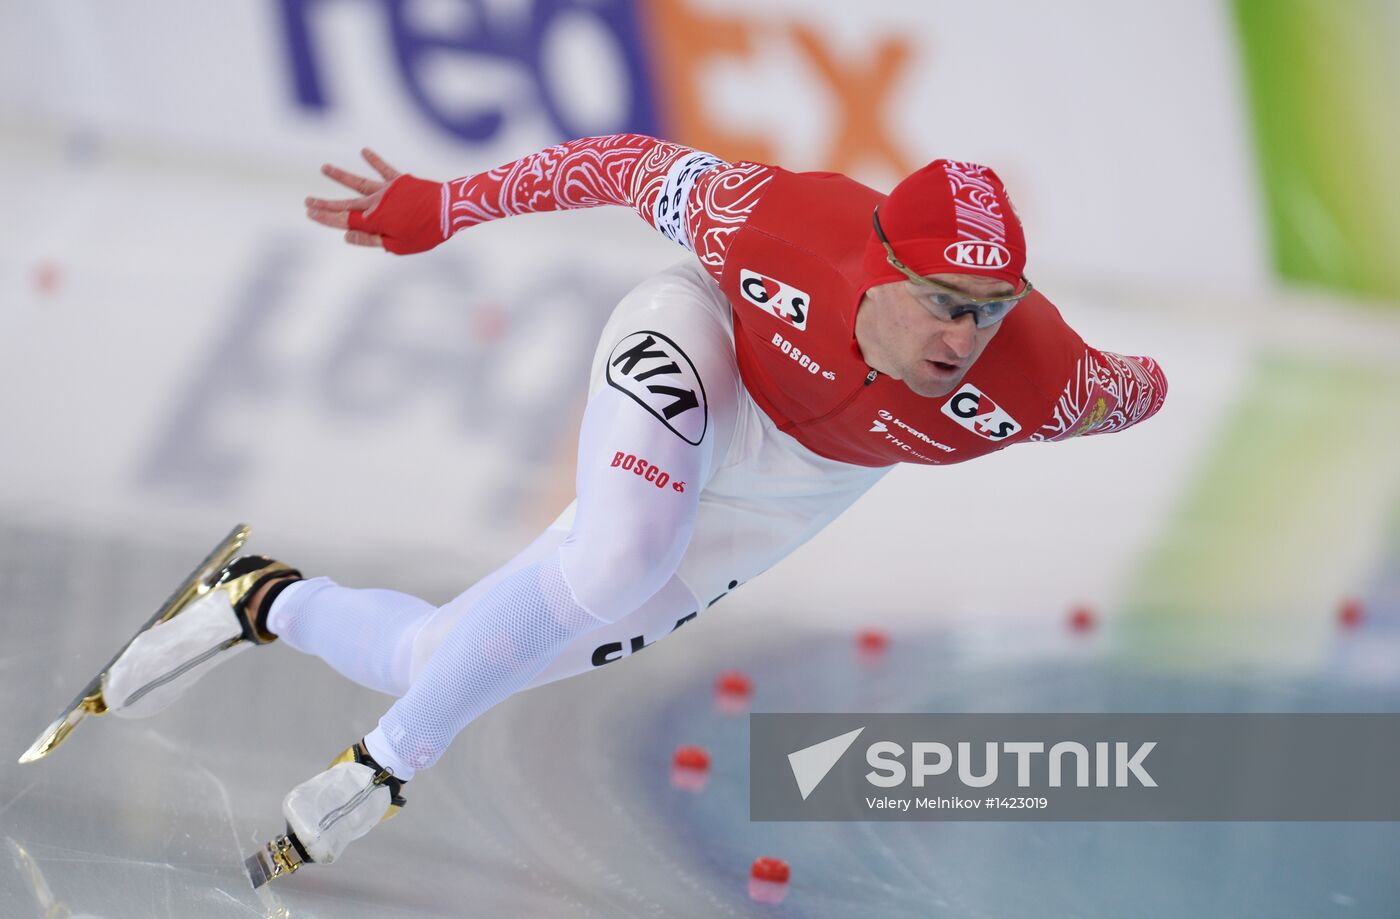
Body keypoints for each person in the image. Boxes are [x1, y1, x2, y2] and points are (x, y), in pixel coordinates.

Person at [88, 135, 1167, 881]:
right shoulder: (776, 224)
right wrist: (444, 205)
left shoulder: (1041, 384)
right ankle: (381, 768)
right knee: (615, 560)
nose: (963, 338)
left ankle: (258, 596)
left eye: (989, 312)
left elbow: (1139, 390)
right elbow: (615, 166)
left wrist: (1111, 385)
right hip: (703, 345)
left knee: (440, 656)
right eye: (943, 303)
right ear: (881, 265)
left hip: (796, 486)